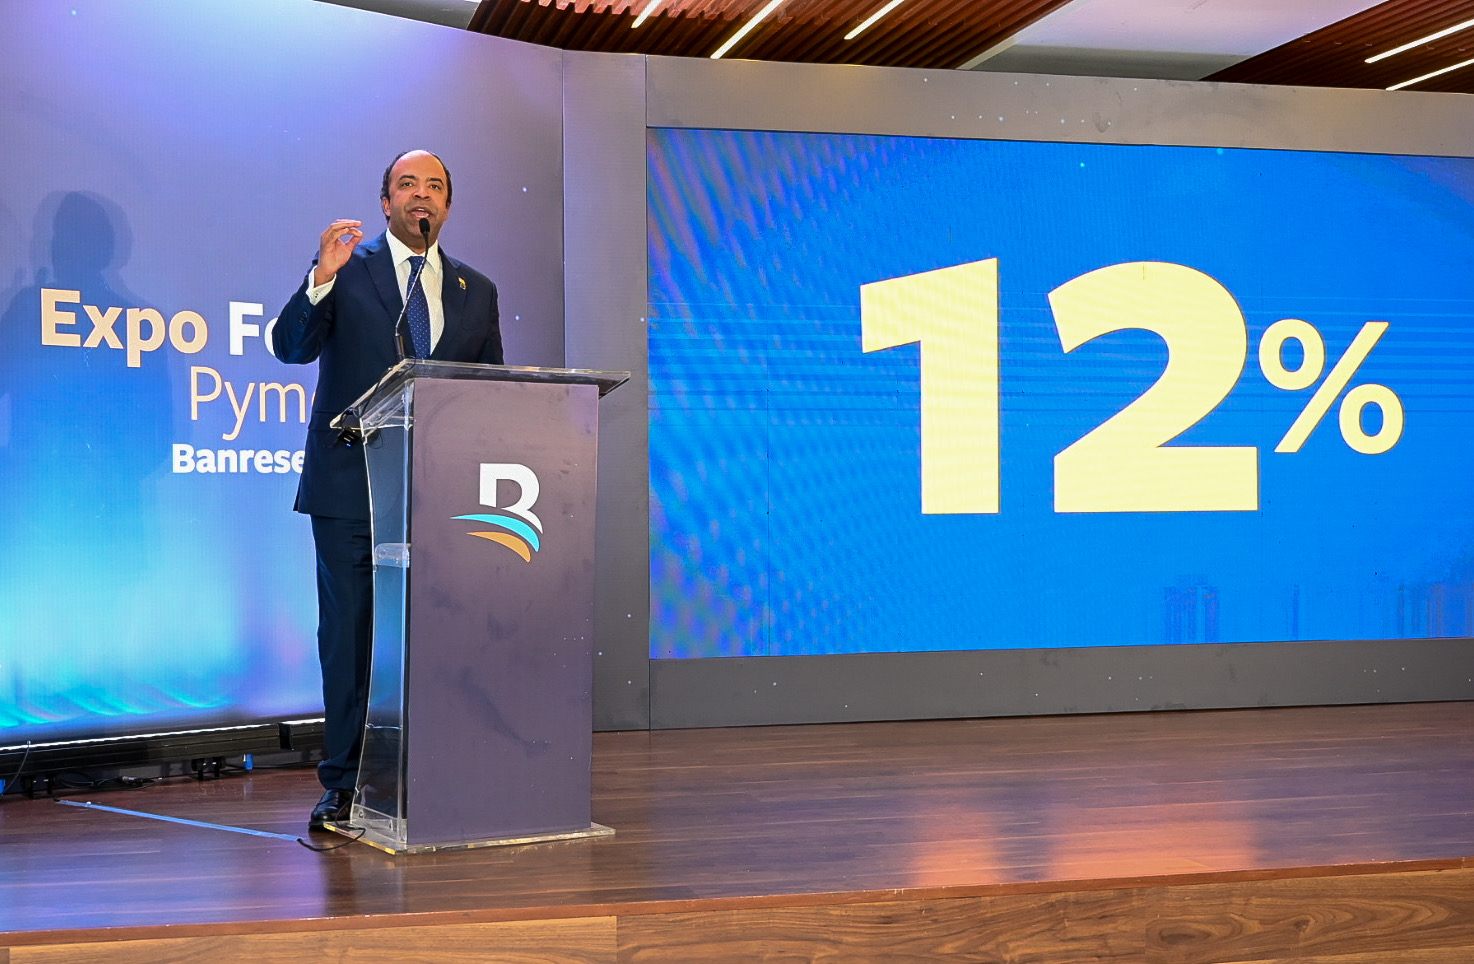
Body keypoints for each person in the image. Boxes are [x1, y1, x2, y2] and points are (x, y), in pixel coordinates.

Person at [273, 149, 503, 830]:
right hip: (350, 487)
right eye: (407, 184)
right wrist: (320, 277)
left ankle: (431, 775)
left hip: (439, 497)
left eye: (434, 187)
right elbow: (288, 347)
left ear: (447, 206)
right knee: (350, 639)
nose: (420, 196)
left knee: (437, 640)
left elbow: (491, 390)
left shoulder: (476, 290)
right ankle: (344, 785)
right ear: (385, 202)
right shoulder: (347, 271)